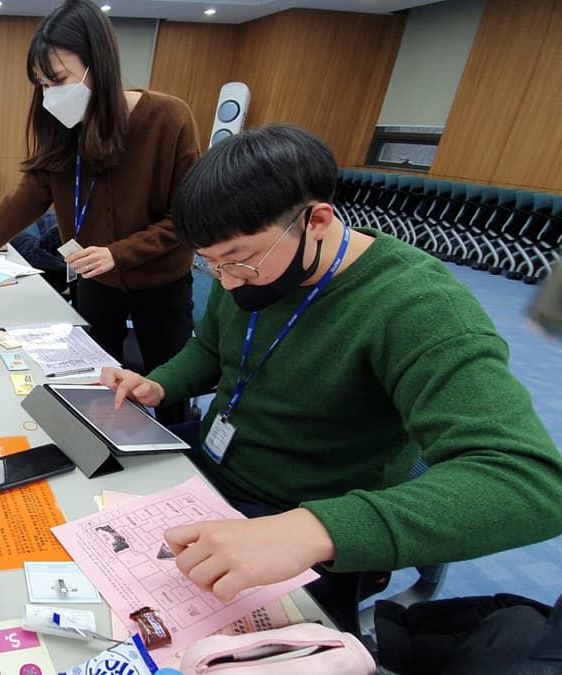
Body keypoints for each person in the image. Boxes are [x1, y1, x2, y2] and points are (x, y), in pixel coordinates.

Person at [100, 124, 562, 631]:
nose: (228, 283)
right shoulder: (252, 272)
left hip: (306, 519)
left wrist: (315, 528)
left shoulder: (420, 307)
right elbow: (211, 349)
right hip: (210, 474)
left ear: (317, 220)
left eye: (238, 262)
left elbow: (531, 482)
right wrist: (160, 384)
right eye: (210, 266)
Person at [0, 0, 199, 422]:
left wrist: (118, 253)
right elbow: (11, 211)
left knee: (168, 389)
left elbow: (187, 220)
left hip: (162, 284)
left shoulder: (169, 117)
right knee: (94, 386)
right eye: (41, 83)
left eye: (58, 80)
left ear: (98, 65)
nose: (50, 94)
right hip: (95, 283)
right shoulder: (64, 130)